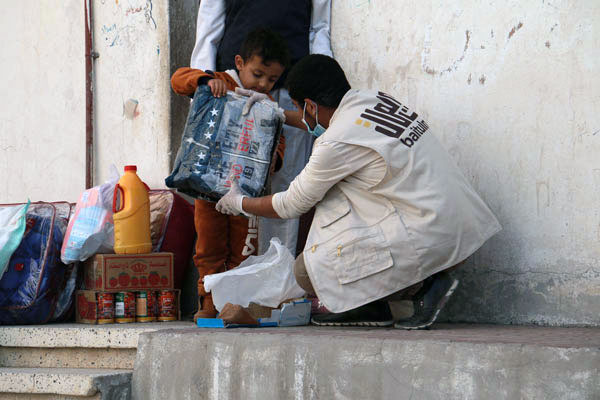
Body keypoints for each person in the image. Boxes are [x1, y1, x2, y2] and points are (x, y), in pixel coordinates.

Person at [215, 54, 502, 329]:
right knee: (349, 191)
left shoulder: (336, 142)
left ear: (311, 106)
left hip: (431, 235)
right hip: (457, 222)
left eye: (297, 106)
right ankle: (375, 304)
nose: (300, 113)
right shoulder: (372, 100)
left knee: (307, 272)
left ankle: (421, 288)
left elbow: (291, 204)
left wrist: (240, 201)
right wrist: (276, 114)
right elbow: (318, 121)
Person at [190, 0, 333, 257]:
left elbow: (320, 27)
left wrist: (318, 87)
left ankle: (277, 273)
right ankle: (235, 274)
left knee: (287, 181)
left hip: (292, 90)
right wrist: (204, 86)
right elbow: (209, 26)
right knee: (230, 180)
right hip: (234, 91)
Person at [171, 28, 290, 320]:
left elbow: (279, 140)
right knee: (208, 246)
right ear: (239, 62)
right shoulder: (221, 81)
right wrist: (206, 80)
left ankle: (236, 304)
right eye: (257, 74)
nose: (263, 84)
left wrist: (273, 160)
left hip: (246, 196)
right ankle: (208, 303)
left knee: (243, 250)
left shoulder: (269, 104)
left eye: (272, 79)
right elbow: (178, 79)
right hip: (208, 189)